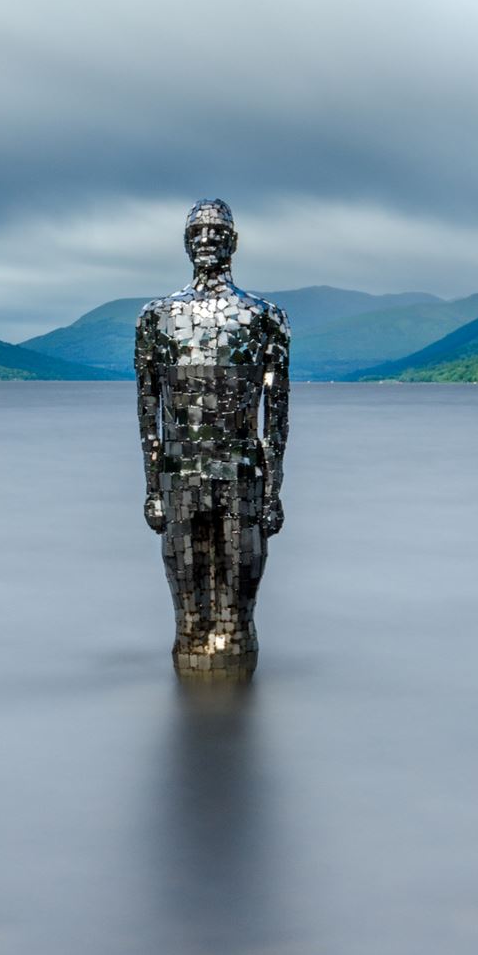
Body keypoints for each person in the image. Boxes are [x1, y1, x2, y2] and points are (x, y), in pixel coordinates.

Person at [135, 199, 290, 679]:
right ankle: (195, 663)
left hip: (241, 473)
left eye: (216, 231)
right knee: (187, 594)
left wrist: (272, 492)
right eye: (197, 232)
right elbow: (148, 412)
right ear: (186, 244)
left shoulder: (264, 318)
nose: (206, 240)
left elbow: (276, 415)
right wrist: (152, 490)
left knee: (240, 591)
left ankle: (233, 665)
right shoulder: (157, 319)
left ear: (233, 242)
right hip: (179, 474)